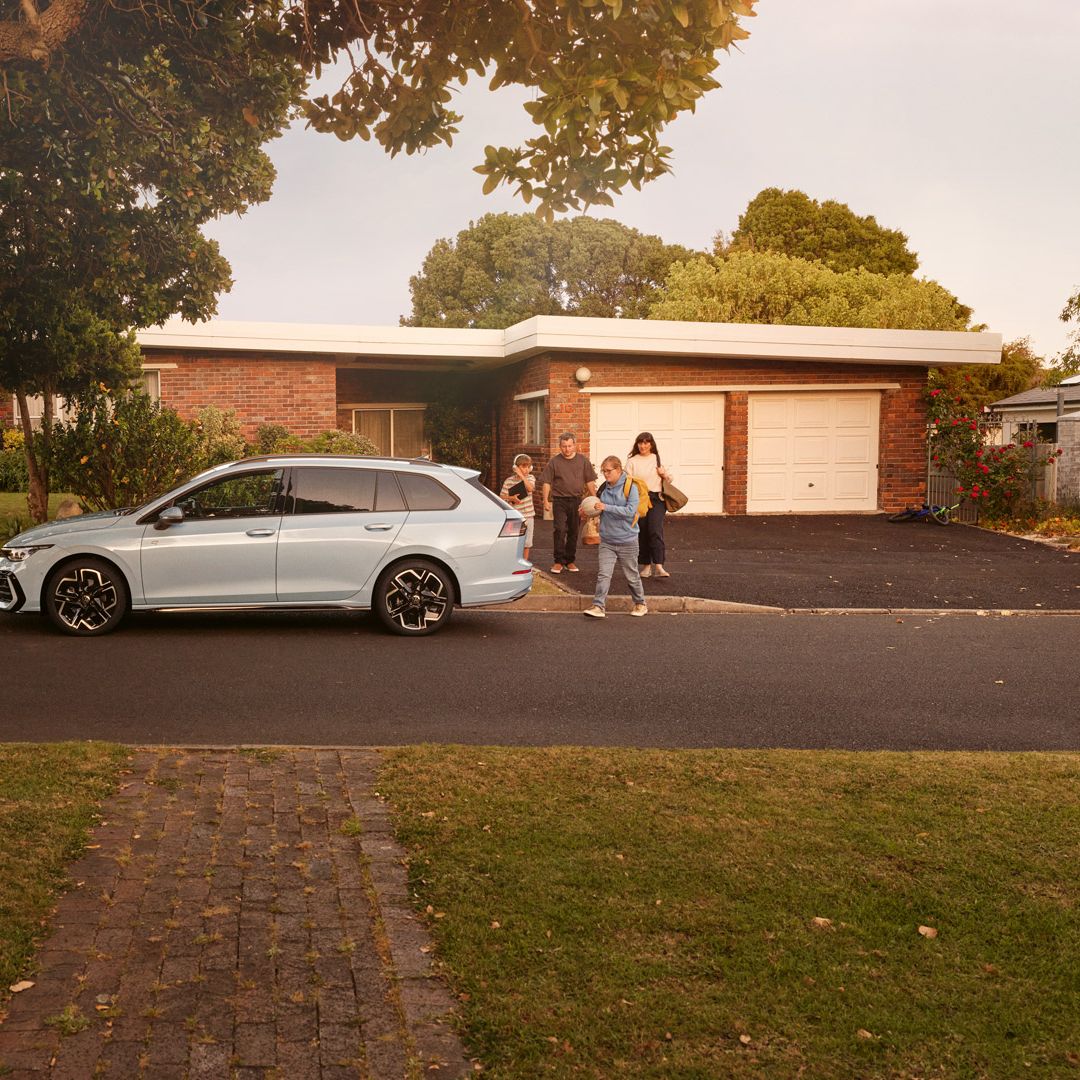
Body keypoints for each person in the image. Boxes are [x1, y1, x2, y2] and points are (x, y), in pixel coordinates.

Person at [581, 456, 648, 618]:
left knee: (632, 576)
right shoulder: (604, 487)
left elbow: (631, 511)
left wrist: (606, 507)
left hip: (627, 540)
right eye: (603, 471)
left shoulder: (630, 487)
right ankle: (598, 606)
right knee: (604, 574)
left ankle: (640, 603)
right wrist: (587, 509)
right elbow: (596, 505)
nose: (605, 474)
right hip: (607, 540)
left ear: (618, 469)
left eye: (608, 471)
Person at [540, 432, 596, 574]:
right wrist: (545, 500)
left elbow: (590, 481)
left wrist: (595, 498)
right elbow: (547, 482)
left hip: (577, 501)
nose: (567, 449)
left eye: (570, 446)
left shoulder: (583, 461)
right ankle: (558, 561)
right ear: (560, 446)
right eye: (564, 446)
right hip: (559, 501)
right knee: (559, 530)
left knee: (573, 531)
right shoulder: (554, 462)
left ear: (574, 445)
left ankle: (570, 560)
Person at [625, 431, 672, 578]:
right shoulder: (632, 461)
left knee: (655, 530)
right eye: (640, 442)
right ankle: (646, 566)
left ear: (651, 444)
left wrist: (663, 474)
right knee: (642, 532)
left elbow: (669, 479)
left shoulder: (657, 459)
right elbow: (627, 481)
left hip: (657, 499)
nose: (643, 446)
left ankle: (659, 566)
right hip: (639, 498)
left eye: (646, 442)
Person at [499, 453, 537, 561]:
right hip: (515, 516)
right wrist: (511, 498)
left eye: (528, 467)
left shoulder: (530, 478)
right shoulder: (509, 481)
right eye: (523, 467)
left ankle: (524, 561)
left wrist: (521, 476)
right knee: (514, 541)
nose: (526, 469)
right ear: (515, 467)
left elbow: (530, 489)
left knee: (527, 542)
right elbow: (501, 496)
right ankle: (513, 561)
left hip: (528, 516)